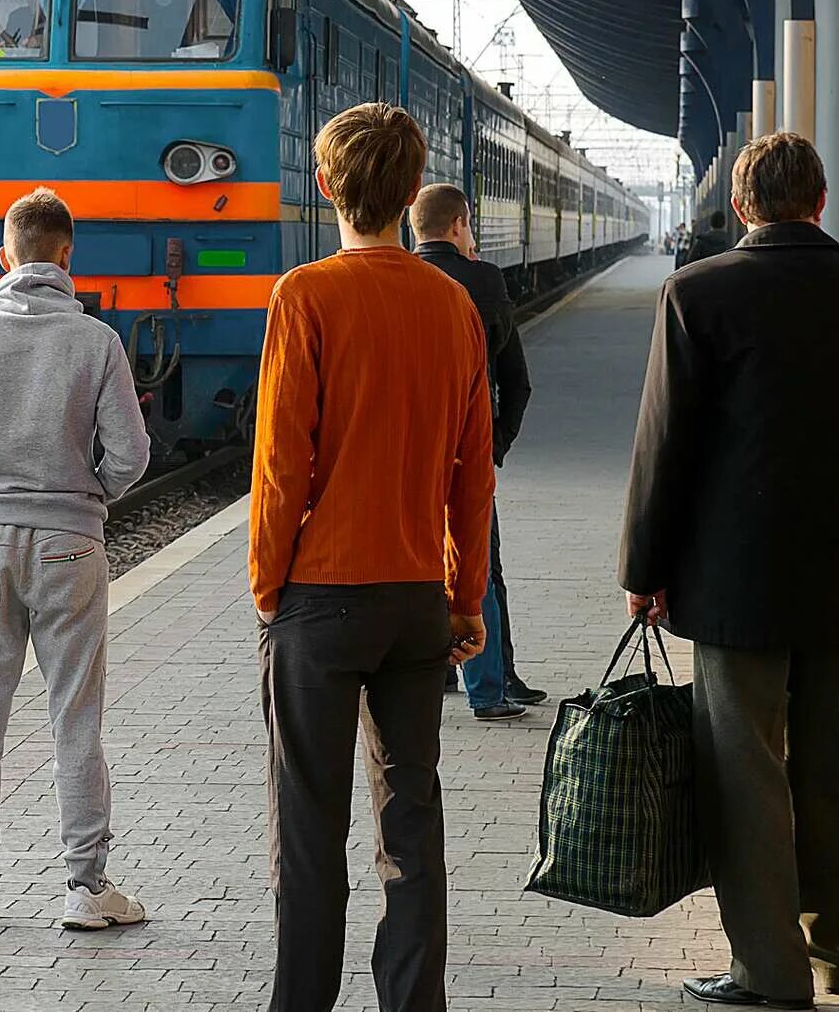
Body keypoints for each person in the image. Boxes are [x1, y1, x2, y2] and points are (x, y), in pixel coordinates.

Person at [619, 132, 839, 1011]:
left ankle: (767, 968)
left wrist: (643, 567)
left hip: (730, 583)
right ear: (823, 200)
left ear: (745, 207)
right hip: (836, 572)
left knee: (745, 769)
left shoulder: (698, 293)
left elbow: (663, 446)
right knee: (835, 771)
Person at [252, 104, 494, 1012]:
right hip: (415, 601)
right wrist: (465, 598)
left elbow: (282, 465)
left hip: (318, 597)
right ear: (409, 193)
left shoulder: (305, 296)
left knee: (310, 827)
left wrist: (268, 586)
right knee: (412, 820)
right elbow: (474, 477)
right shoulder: (453, 303)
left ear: (325, 187)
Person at [0, 186, 151, 932]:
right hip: (73, 542)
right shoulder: (96, 341)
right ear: (68, 256)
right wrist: (87, 497)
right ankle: (86, 888)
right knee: (75, 715)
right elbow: (132, 455)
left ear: (5, 255)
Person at [410, 184, 541, 720]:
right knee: (477, 563)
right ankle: (490, 688)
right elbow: (517, 380)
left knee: (422, 562)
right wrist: (496, 445)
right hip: (468, 452)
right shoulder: (483, 281)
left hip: (407, 454)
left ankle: (438, 670)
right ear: (460, 223)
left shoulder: (400, 279)